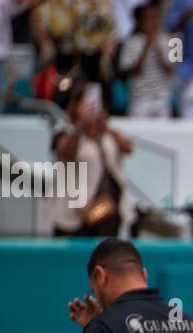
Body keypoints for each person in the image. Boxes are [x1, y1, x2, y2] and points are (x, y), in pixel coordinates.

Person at [50, 83, 133, 236]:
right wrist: (80, 126)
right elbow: (68, 153)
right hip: (71, 216)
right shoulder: (64, 133)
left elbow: (128, 148)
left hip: (103, 211)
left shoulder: (107, 137)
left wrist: (105, 127)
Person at [117, 3, 175, 118]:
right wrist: (146, 47)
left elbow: (171, 69)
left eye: (155, 17)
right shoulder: (129, 42)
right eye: (149, 18)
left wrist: (157, 47)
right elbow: (131, 71)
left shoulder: (172, 41)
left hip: (163, 100)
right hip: (140, 99)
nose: (153, 21)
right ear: (139, 21)